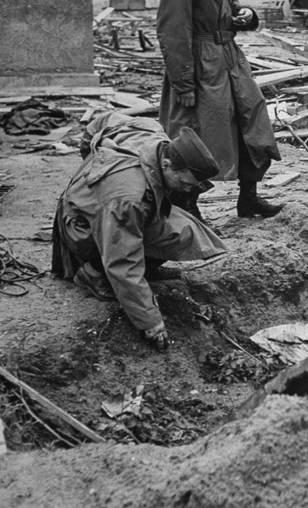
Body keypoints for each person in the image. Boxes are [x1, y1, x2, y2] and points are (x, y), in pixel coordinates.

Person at [51, 112, 228, 351]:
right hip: (80, 227)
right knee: (172, 235)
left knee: (181, 228)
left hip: (93, 207)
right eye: (184, 183)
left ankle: (147, 268)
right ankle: (92, 272)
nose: (187, 190)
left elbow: (101, 122)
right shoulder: (130, 199)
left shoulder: (151, 132)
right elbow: (123, 260)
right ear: (166, 165)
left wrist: (91, 166)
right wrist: (150, 321)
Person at [156, 0, 283, 220]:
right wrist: (183, 82)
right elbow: (173, 30)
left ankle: (249, 198)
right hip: (199, 62)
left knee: (252, 119)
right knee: (197, 131)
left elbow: (226, 7)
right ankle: (188, 206)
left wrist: (246, 16)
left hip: (228, 57)